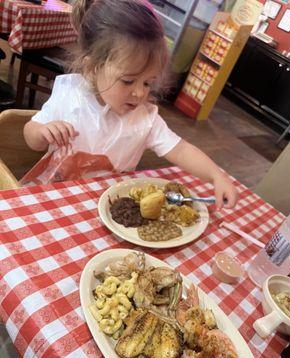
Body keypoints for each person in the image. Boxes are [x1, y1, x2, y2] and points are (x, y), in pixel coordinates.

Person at [23, 0, 238, 209]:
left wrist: (216, 175)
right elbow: (31, 136)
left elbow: (181, 150)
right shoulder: (70, 96)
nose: (139, 93)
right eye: (128, 81)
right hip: (55, 201)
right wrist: (42, 132)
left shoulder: (146, 119)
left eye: (148, 83)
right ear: (93, 68)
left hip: (110, 208)